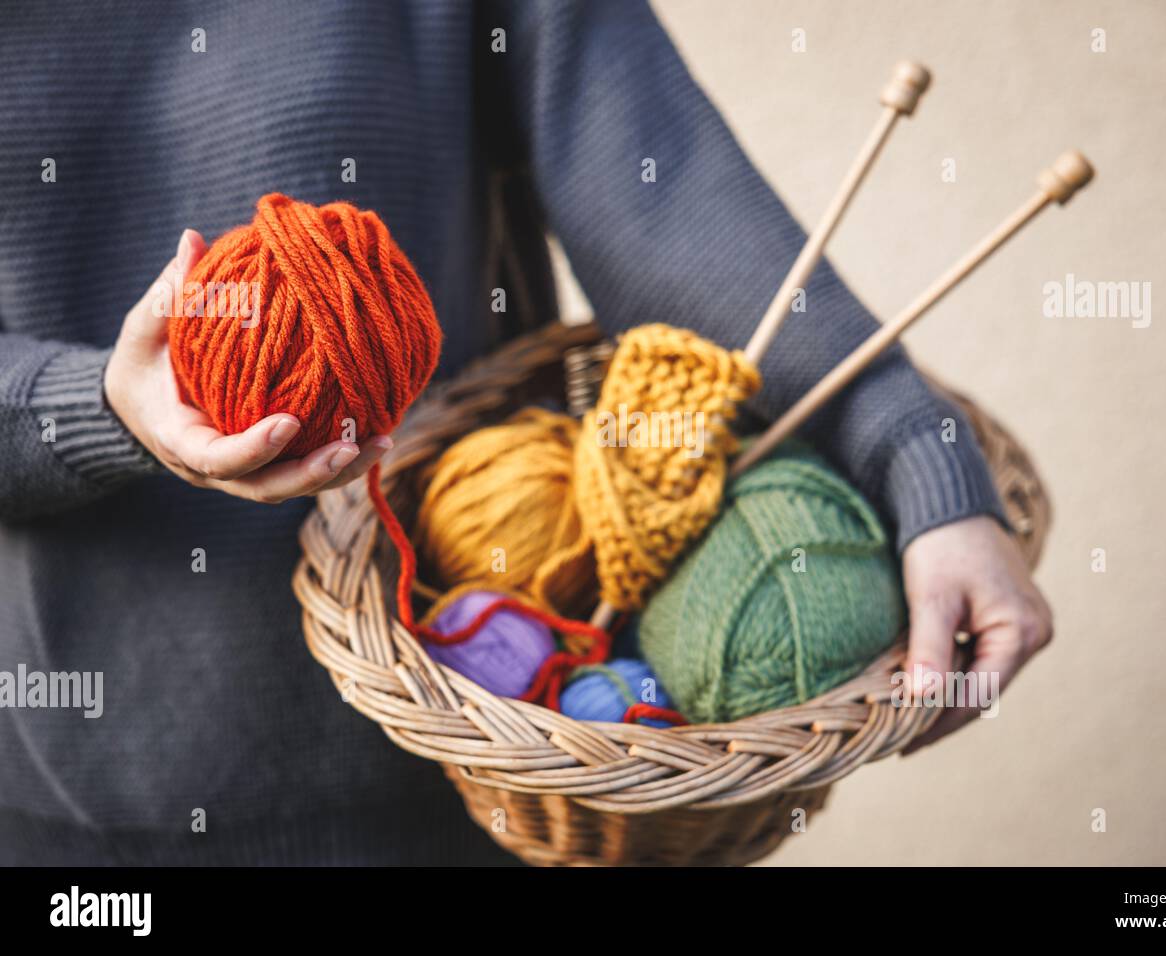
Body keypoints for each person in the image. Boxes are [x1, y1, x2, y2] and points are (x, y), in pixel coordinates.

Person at [0, 0, 1051, 865]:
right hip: (63, 812)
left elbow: (666, 197)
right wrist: (94, 405)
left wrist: (921, 460)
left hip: (480, 764)